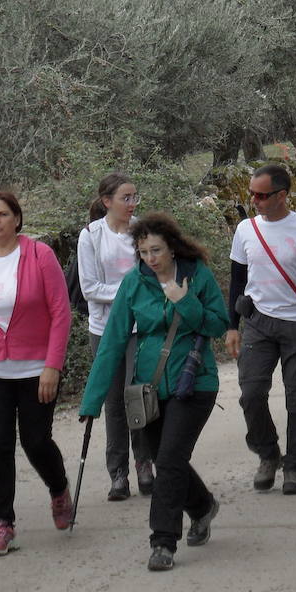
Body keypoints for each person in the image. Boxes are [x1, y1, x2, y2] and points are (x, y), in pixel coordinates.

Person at [78, 212, 229, 572]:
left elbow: (218, 324)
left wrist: (184, 300)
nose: (151, 258)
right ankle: (203, 506)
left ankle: (163, 541)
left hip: (195, 382)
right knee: (166, 459)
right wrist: (92, 400)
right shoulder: (134, 283)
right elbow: (113, 342)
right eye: (144, 251)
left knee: (171, 458)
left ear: (172, 248)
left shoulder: (197, 276)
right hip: (148, 388)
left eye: (157, 250)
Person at [0, 191, 73, 557]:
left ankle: (58, 489)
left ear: (17, 219)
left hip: (35, 368)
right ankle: (2, 524)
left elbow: (61, 313)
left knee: (36, 441)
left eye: (3, 214)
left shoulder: (40, 256)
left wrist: (52, 365)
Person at [224, 165, 296, 496]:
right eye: (251, 193)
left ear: (282, 195)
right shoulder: (245, 230)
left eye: (261, 195)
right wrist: (231, 327)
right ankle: (268, 454)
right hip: (257, 322)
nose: (254, 200)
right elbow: (237, 280)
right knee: (251, 393)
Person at [77, 173, 156, 501]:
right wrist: (129, 294)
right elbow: (90, 288)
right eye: (125, 198)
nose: (132, 203)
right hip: (106, 329)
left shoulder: (143, 231)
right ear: (107, 201)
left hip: (141, 328)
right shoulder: (91, 237)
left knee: (137, 395)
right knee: (112, 402)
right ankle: (118, 473)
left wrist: (140, 297)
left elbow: (154, 275)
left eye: (135, 196)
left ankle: (143, 464)